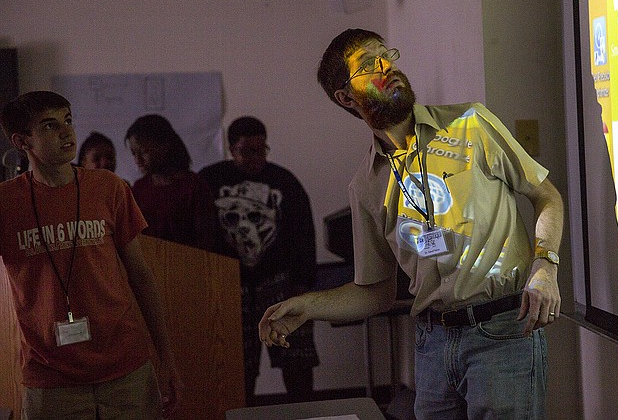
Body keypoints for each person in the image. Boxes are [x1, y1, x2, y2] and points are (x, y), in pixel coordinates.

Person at [259, 29, 564, 419]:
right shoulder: (366, 185)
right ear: (346, 97)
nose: (387, 66)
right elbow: (375, 293)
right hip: (432, 345)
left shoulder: (471, 124)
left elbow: (546, 196)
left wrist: (545, 267)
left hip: (501, 332)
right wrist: (310, 306)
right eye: (369, 65)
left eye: (387, 56)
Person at [0, 91, 182, 419]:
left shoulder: (109, 188)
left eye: (68, 121)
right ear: (21, 141)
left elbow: (141, 277)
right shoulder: (6, 202)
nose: (66, 132)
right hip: (51, 380)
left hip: (126, 371)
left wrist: (166, 359)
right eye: (49, 126)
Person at [199, 116, 319, 405]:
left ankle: (306, 415)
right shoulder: (210, 180)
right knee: (238, 366)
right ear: (230, 149)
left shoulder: (284, 182)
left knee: (296, 361)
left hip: (281, 283)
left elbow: (304, 233)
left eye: (261, 149)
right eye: (246, 151)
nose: (255, 158)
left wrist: (302, 284)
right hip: (230, 286)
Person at [124, 114, 219, 253]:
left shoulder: (193, 187)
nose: (138, 159)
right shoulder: (139, 189)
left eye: (144, 151)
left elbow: (207, 241)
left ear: (165, 145)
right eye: (134, 153)